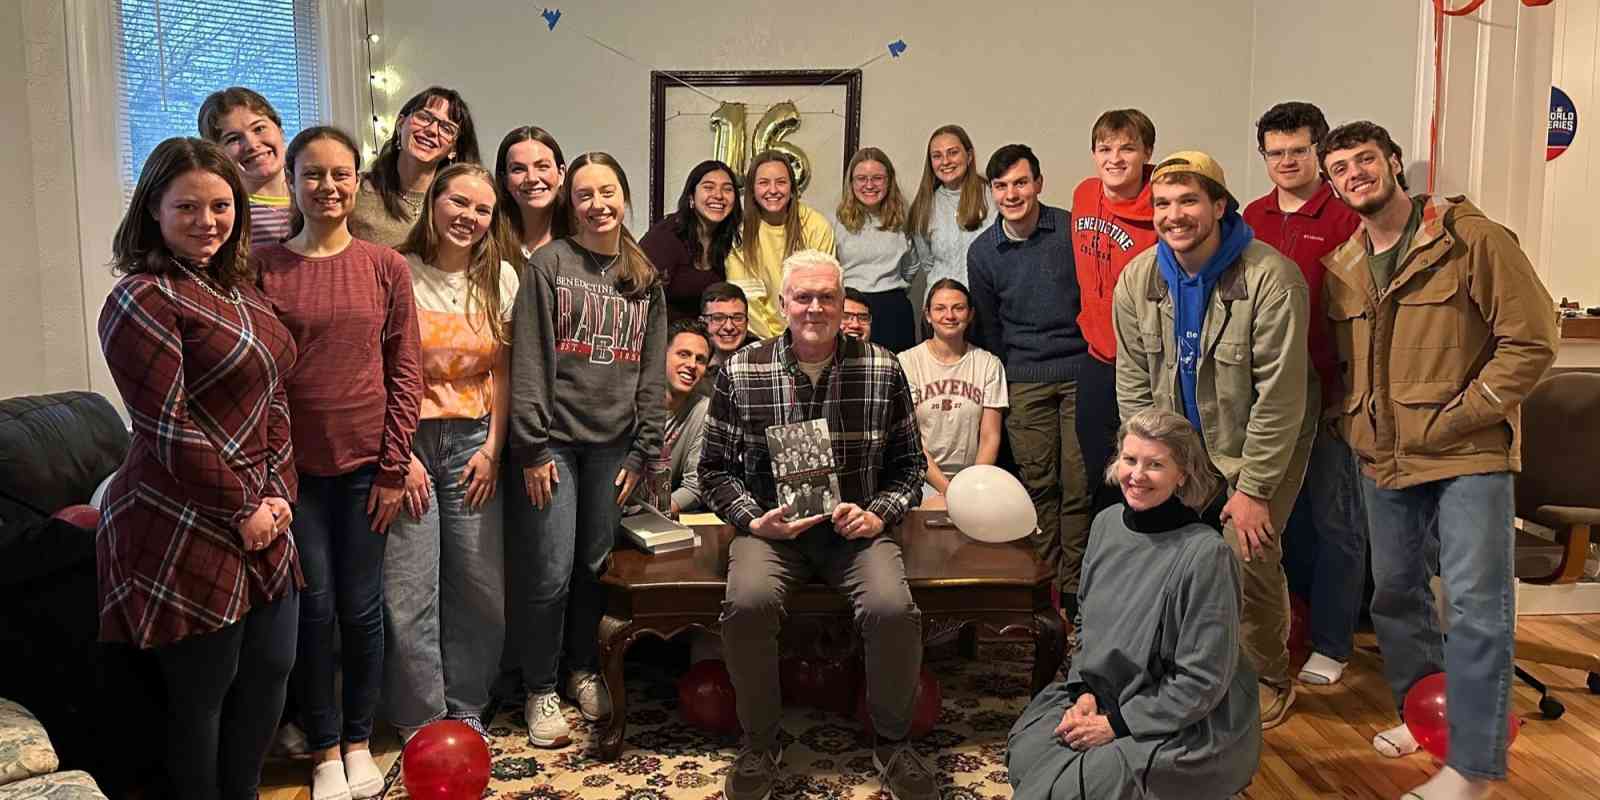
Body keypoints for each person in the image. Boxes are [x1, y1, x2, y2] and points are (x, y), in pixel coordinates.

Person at [1320, 121, 1557, 799]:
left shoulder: (1472, 239)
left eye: (1365, 160)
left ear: (1395, 163)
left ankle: (1474, 767)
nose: (1354, 175)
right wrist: (1352, 424)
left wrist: (1462, 415)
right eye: (1340, 169)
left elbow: (1535, 338)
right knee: (1394, 593)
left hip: (1468, 453)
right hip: (1385, 458)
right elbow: (1349, 367)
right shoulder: (1346, 265)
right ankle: (1421, 716)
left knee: (1478, 604)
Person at [97, 136, 300, 800]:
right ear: (153, 208)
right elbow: (166, 425)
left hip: (264, 509)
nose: (208, 222)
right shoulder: (143, 296)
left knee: (272, 668)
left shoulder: (240, 290)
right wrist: (242, 507)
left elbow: (275, 394)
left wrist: (279, 497)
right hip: (181, 513)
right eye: (188, 207)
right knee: (202, 695)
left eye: (221, 206)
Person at [698, 248, 933, 800]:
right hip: (772, 534)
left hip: (856, 534)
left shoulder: (882, 367)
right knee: (748, 602)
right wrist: (755, 520)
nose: (815, 307)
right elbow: (713, 471)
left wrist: (878, 514)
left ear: (843, 302)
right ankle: (761, 742)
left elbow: (910, 467)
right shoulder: (741, 370)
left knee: (892, 608)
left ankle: (893, 742)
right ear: (783, 304)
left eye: (827, 296)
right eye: (802, 297)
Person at [1112, 151, 1315, 731]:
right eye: (1164, 204)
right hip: (1178, 441)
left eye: (1189, 201)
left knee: (1246, 550)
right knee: (1165, 549)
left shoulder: (1271, 279)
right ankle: (1183, 668)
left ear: (1219, 206)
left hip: (1260, 440)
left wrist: (1252, 489)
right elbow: (1132, 381)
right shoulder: (1139, 277)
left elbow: (1280, 397)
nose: (1175, 216)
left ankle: (1267, 677)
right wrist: (1143, 463)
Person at [256, 126, 423, 800]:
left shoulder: (386, 265)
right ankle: (323, 748)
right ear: (292, 182)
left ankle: (359, 740)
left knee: (362, 611)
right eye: (314, 174)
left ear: (357, 182)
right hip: (293, 477)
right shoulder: (264, 267)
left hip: (365, 472)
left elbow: (404, 372)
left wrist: (391, 468)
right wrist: (270, 473)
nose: (328, 187)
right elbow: (260, 378)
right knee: (314, 611)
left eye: (341, 174)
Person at [1008, 408, 1260, 800]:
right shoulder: (1106, 524)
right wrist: (1084, 694)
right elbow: (1086, 626)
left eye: (1155, 464)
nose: (1137, 475)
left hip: (1179, 718)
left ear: (1183, 475)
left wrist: (1117, 724)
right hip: (1108, 692)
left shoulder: (1207, 555)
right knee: (1026, 754)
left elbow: (1203, 680)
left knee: (1070, 790)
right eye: (1130, 460)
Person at [508, 152, 668, 748]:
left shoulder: (644, 276)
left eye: (608, 192)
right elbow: (529, 359)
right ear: (569, 204)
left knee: (594, 568)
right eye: (584, 195)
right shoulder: (549, 265)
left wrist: (641, 451)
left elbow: (652, 373)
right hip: (552, 445)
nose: (598, 204)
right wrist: (531, 447)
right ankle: (539, 685)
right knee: (548, 571)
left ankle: (581, 669)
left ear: (625, 197)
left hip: (615, 450)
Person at [383, 162, 517, 743]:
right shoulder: (396, 272)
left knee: (479, 584)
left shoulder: (502, 280)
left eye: (482, 209)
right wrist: (397, 454)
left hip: (473, 442)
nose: (468, 217)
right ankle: (420, 717)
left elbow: (506, 373)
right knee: (408, 588)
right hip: (407, 443)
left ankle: (466, 707)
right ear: (433, 202)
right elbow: (381, 369)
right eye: (457, 202)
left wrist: (493, 448)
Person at [1243, 101, 1365, 686]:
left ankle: (1333, 642)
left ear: (1317, 151)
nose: (1286, 161)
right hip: (1264, 397)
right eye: (1275, 152)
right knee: (1272, 524)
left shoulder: (1345, 219)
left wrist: (1349, 393)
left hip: (1331, 395)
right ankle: (1274, 631)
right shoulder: (1249, 216)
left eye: (1297, 150)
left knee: (1335, 522)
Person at [967, 144, 1091, 613]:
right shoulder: (983, 252)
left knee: (1079, 487)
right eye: (1001, 186)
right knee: (1039, 487)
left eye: (1021, 182)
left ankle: (1076, 594)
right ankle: (1045, 590)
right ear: (991, 192)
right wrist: (1010, 373)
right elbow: (990, 326)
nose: (1011, 193)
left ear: (1038, 183)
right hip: (1023, 377)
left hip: (1080, 371)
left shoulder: (1072, 230)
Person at [1071, 110, 1159, 518]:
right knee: (1099, 472)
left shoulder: (1164, 205)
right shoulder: (1084, 194)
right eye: (1105, 148)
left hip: (1145, 363)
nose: (1115, 158)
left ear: (1147, 153)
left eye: (1128, 148)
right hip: (1096, 357)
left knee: (1147, 469)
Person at [897, 278, 1007, 504]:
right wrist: (949, 491)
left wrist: (973, 487)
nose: (950, 315)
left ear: (970, 314)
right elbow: (911, 441)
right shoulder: (906, 362)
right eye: (940, 308)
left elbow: (990, 437)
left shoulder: (989, 364)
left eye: (958, 308)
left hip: (974, 477)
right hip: (920, 476)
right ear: (927, 314)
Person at [350, 86, 481, 248]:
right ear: (400, 124)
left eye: (447, 128)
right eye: (424, 118)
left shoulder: (459, 206)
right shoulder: (356, 190)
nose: (432, 130)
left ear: (453, 150)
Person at [724, 150, 835, 339]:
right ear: (752, 190)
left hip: (809, 332)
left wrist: (797, 336)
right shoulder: (739, 231)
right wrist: (776, 341)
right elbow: (748, 298)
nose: (773, 190)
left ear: (792, 188)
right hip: (757, 337)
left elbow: (821, 288)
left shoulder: (816, 225)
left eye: (781, 182)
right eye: (764, 183)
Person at [834, 146, 915, 351]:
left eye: (877, 178)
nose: (869, 185)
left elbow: (911, 266)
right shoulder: (835, 223)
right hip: (849, 309)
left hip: (893, 312)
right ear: (851, 183)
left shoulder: (903, 222)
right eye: (861, 178)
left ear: (889, 181)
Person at [642, 159, 743, 322]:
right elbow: (643, 299)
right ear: (691, 197)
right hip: (664, 337)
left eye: (727, 189)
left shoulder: (730, 241)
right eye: (708, 187)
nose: (718, 195)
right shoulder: (666, 235)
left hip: (706, 338)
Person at [197, 87, 294, 244]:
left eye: (259, 128)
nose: (252, 145)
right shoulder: (226, 216)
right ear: (217, 153)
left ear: (280, 130)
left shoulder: (315, 198)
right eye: (233, 139)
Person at [905, 124, 989, 295]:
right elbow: (929, 265)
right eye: (937, 156)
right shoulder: (924, 206)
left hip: (985, 303)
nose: (945, 161)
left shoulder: (994, 196)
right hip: (942, 308)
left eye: (953, 152)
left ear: (969, 156)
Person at [648, 320, 713, 515]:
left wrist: (654, 517)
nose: (692, 365)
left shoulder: (703, 409)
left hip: (658, 515)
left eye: (700, 359)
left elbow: (695, 485)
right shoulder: (632, 398)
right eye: (683, 354)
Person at [492, 125, 568, 265]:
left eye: (542, 167)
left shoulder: (583, 236)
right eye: (518, 169)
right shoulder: (487, 240)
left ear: (561, 173)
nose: (532, 178)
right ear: (505, 180)